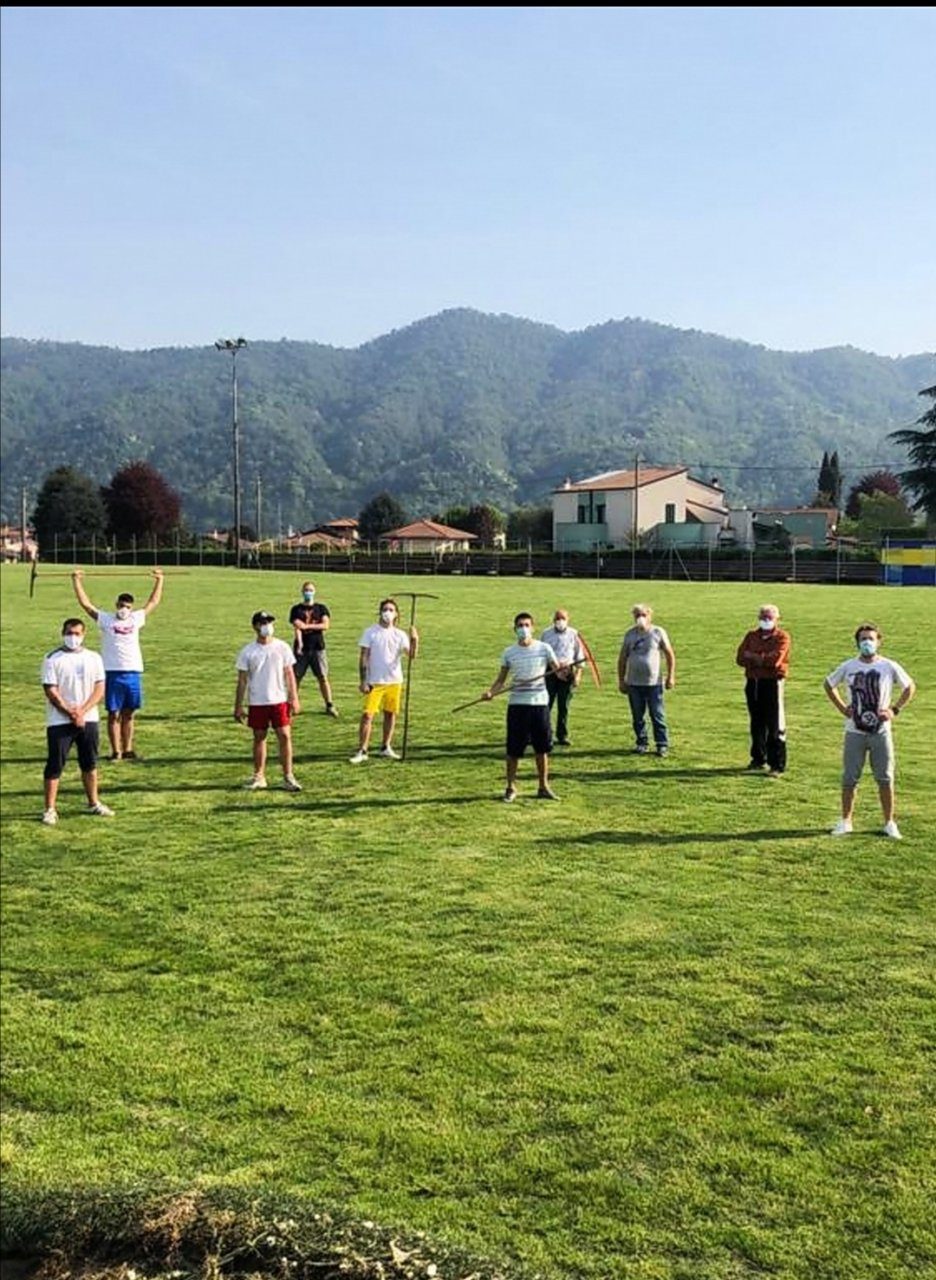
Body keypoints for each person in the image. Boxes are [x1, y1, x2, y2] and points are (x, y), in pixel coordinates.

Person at [823, 622, 915, 839]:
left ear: (878, 641)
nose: (867, 643)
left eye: (871, 639)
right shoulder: (849, 666)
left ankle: (889, 822)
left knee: (885, 777)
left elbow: (909, 687)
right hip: (854, 731)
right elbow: (828, 684)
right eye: (863, 639)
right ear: (857, 643)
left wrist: (894, 710)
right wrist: (843, 708)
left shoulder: (888, 666)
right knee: (849, 778)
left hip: (881, 732)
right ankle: (846, 821)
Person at [72, 567, 164, 761]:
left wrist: (159, 579)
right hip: (112, 673)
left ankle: (128, 749)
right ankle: (116, 751)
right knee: (113, 714)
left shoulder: (136, 619)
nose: (124, 609)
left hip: (133, 672)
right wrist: (77, 580)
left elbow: (153, 602)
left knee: (129, 714)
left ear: (131, 608)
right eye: (121, 605)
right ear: (116, 605)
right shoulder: (106, 619)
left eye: (128, 606)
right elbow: (86, 605)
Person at [483, 611, 567, 802]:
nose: (524, 629)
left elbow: (559, 673)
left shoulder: (544, 648)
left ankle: (543, 787)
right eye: (520, 626)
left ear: (533, 628)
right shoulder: (509, 652)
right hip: (517, 706)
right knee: (513, 750)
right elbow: (501, 680)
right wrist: (490, 692)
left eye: (527, 625)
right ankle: (510, 787)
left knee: (542, 749)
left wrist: (565, 670)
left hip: (539, 704)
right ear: (515, 629)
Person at [40, 618, 113, 824]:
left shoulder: (94, 658)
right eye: (69, 633)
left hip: (88, 719)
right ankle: (50, 809)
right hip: (59, 721)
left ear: (84, 634)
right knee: (55, 764)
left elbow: (99, 688)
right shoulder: (52, 659)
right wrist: (70, 712)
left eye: (77, 633)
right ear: (63, 633)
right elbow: (51, 690)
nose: (73, 637)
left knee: (89, 763)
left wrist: (83, 711)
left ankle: (93, 802)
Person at [234, 610, 302, 792]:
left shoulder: (282, 647)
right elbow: (242, 680)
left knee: (285, 736)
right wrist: (238, 706)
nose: (267, 626)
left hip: (279, 700)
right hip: (257, 701)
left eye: (269, 622)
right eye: (263, 623)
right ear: (255, 627)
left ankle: (288, 776)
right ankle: (259, 776)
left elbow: (289, 674)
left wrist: (294, 697)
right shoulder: (248, 651)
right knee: (259, 737)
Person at [350, 598, 418, 764]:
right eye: (385, 609)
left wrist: (415, 640)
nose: (388, 613)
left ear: (396, 614)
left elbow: (411, 655)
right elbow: (364, 657)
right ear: (380, 612)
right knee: (368, 714)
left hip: (394, 681)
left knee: (390, 713)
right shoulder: (370, 632)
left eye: (391, 610)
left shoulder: (400, 635)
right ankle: (363, 750)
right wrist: (363, 680)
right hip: (375, 681)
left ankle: (385, 746)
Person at [735, 603, 790, 776]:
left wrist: (753, 657)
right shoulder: (751, 636)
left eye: (769, 617)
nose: (766, 620)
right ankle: (758, 758)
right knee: (756, 722)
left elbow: (775, 661)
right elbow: (740, 657)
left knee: (775, 723)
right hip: (753, 682)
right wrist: (761, 659)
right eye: (763, 617)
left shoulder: (782, 637)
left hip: (772, 683)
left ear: (777, 619)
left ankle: (777, 763)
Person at [618, 603, 676, 757]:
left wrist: (671, 676)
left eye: (643, 615)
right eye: (637, 615)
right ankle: (641, 742)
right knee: (637, 716)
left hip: (654, 683)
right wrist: (621, 680)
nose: (640, 618)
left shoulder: (658, 632)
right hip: (634, 683)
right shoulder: (630, 634)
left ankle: (662, 744)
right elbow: (622, 658)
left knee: (657, 715)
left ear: (650, 616)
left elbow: (669, 654)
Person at [289, 580, 338, 717]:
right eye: (306, 590)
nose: (308, 593)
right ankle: (292, 704)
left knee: (322, 676)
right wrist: (300, 643)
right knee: (296, 677)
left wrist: (307, 626)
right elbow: (297, 627)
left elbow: (325, 625)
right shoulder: (296, 610)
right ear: (302, 592)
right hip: (301, 650)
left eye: (310, 590)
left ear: (315, 592)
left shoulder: (321, 608)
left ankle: (329, 704)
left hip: (318, 648)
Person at [540, 608, 585, 746]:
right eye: (557, 618)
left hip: (567, 673)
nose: (560, 621)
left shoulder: (574, 634)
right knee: (546, 705)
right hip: (550, 673)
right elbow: (542, 655)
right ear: (553, 620)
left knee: (563, 706)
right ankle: (543, 734)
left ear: (568, 619)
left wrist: (577, 675)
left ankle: (562, 735)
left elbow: (579, 657)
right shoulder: (546, 634)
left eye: (563, 618)